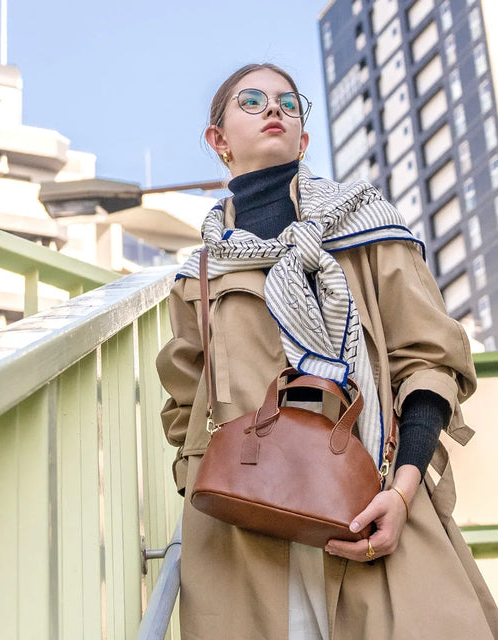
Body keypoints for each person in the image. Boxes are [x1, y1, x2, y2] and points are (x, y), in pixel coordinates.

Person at [156, 63, 498, 640]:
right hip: (245, 539)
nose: (275, 110)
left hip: (376, 506)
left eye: (290, 103)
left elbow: (430, 363)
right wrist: (207, 489)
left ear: (304, 137)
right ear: (218, 140)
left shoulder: (369, 228)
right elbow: (185, 407)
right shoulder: (200, 275)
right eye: (254, 100)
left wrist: (403, 489)